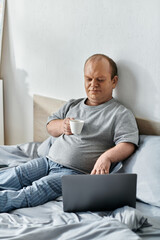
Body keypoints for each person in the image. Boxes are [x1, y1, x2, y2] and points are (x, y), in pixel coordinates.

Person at [0, 54, 139, 212]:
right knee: (17, 173)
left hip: (73, 173)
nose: (93, 85)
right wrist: (62, 125)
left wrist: (106, 157)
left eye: (100, 80)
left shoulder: (120, 114)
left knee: (37, 188)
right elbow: (50, 126)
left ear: (114, 81)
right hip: (48, 161)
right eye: (88, 79)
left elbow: (128, 144)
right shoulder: (74, 104)